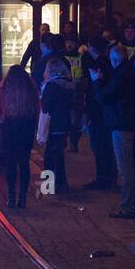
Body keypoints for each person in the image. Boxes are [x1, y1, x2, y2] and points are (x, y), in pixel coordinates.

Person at [96, 43, 135, 218]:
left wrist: (97, 82)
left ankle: (130, 206)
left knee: (125, 168)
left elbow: (105, 97)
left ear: (115, 59)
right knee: (130, 167)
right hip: (128, 123)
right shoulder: (130, 74)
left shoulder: (122, 75)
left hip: (122, 124)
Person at [0, 64, 39, 208]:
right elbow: (36, 110)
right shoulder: (30, 90)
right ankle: (22, 197)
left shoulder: (5, 89)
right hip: (26, 128)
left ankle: (11, 196)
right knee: (24, 164)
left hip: (10, 129)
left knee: (11, 165)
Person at [82, 41, 116, 188]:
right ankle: (108, 177)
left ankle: (103, 178)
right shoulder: (108, 64)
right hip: (104, 112)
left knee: (100, 146)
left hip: (97, 112)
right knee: (105, 146)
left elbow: (95, 90)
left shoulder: (98, 65)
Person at [40, 56, 74, 195]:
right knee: (59, 154)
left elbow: (45, 107)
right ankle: (62, 183)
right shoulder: (69, 86)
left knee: (49, 156)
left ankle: (48, 186)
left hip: (52, 124)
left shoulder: (50, 86)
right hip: (65, 124)